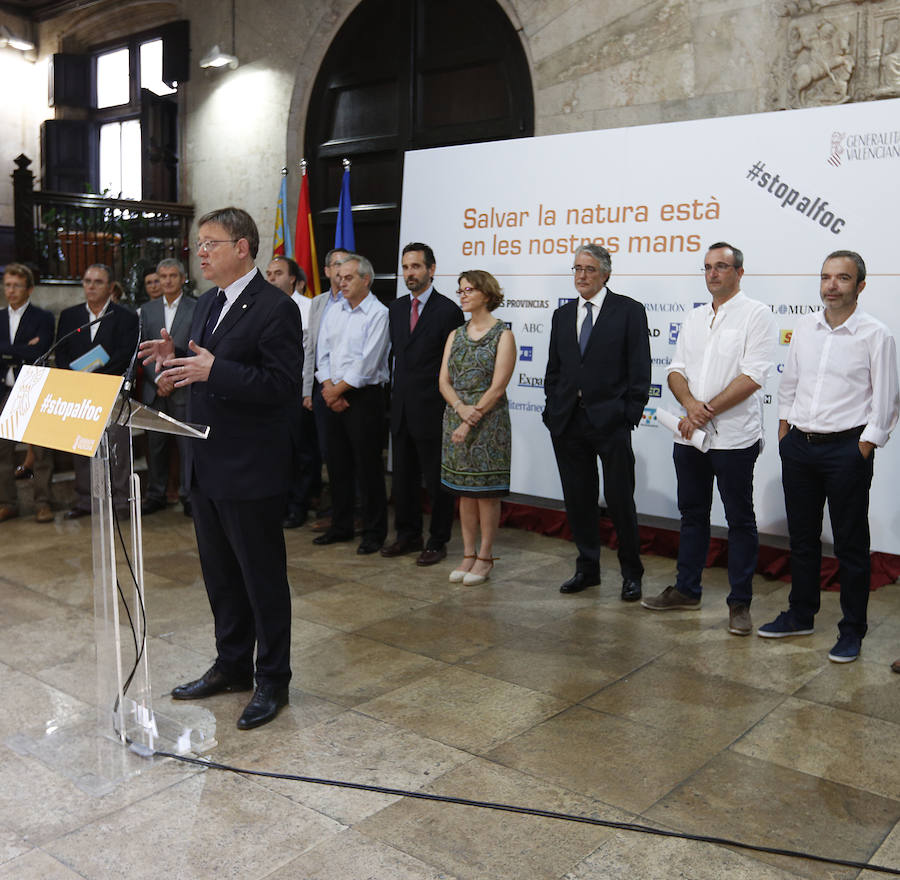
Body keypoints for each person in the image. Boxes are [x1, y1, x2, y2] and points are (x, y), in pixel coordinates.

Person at [140, 207, 301, 729]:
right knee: (220, 576)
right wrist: (172, 366)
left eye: (211, 243)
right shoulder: (207, 303)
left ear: (243, 247)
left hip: (251, 467)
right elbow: (201, 370)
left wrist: (217, 369)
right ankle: (232, 664)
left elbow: (280, 386)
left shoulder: (277, 309)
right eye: (199, 243)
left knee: (261, 578)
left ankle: (272, 677)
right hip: (205, 462)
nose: (200, 252)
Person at [758, 250, 899, 663]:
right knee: (802, 539)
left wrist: (865, 446)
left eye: (842, 278)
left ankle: (852, 630)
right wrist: (785, 429)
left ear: (860, 286)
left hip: (846, 450)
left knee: (851, 546)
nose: (831, 285)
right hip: (800, 446)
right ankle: (801, 614)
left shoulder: (876, 334)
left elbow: (887, 401)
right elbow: (790, 383)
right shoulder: (805, 326)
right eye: (825, 277)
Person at [642, 243, 775, 635]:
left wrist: (706, 410)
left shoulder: (757, 314)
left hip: (734, 439)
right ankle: (687, 590)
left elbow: (753, 376)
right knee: (693, 515)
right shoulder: (694, 317)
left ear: (739, 272)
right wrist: (689, 405)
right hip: (689, 437)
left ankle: (740, 604)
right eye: (707, 268)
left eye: (721, 266)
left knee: (740, 521)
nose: (713, 274)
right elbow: (675, 370)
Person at [543, 244, 650, 600]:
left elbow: (640, 368)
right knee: (578, 500)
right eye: (577, 269)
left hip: (611, 422)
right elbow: (554, 370)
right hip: (568, 423)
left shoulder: (629, 311)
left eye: (589, 269)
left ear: (605, 273)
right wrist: (551, 409)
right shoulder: (562, 316)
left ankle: (631, 573)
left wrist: (628, 414)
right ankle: (587, 568)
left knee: (620, 501)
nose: (582, 276)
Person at [383, 242, 464, 565]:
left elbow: (453, 366)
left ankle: (438, 539)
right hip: (401, 409)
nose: (409, 273)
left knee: (436, 481)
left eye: (416, 267)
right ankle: (407, 534)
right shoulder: (396, 308)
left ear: (431, 270)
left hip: (433, 410)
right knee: (402, 478)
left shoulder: (448, 311)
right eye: (405, 267)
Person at [439, 270, 515, 585]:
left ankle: (485, 557)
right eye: (460, 290)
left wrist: (470, 420)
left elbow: (498, 387)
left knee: (485, 494)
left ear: (485, 293)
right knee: (464, 493)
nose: (463, 295)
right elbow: (443, 381)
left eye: (469, 289)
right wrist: (459, 409)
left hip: (488, 423)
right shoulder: (455, 334)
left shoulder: (503, 335)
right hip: (456, 418)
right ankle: (468, 554)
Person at [312, 253, 390, 554]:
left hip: (363, 397)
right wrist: (329, 387)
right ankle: (340, 526)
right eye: (339, 276)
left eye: (348, 277)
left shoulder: (378, 313)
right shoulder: (335, 310)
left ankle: (374, 531)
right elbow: (324, 353)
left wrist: (336, 391)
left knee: (368, 468)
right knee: (337, 465)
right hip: (332, 391)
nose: (340, 282)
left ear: (365, 280)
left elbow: (367, 364)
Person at [55, 263, 139, 519]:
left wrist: (96, 378)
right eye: (87, 281)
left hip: (111, 390)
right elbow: (61, 353)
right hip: (79, 392)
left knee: (118, 448)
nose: (91, 286)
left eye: (98, 282)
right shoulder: (70, 316)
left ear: (110, 287)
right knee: (82, 446)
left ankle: (121, 502)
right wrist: (77, 378)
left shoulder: (125, 317)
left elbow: (125, 354)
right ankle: (85, 500)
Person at [266, 254, 321, 528]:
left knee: (302, 453)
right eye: (269, 273)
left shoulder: (308, 307)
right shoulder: (261, 307)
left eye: (277, 273)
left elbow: (312, 353)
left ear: (294, 279)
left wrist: (307, 391)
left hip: (299, 389)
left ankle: (298, 505)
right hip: (270, 389)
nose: (271, 278)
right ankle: (280, 502)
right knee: (276, 452)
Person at [139, 258, 196, 517]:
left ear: (183, 278)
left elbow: (196, 347)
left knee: (186, 446)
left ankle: (188, 494)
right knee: (156, 445)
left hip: (183, 385)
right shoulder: (147, 310)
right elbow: (141, 350)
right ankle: (156, 494)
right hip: (155, 387)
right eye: (163, 276)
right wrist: (158, 379)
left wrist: (172, 378)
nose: (168, 281)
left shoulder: (196, 307)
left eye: (173, 275)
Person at [0, 263, 55, 523]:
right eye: (7, 285)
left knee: (42, 450)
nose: (11, 290)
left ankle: (42, 502)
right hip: (5, 388)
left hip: (33, 387)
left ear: (29, 289)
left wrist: (8, 350)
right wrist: (22, 348)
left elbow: (40, 352)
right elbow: (28, 351)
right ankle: (7, 503)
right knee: (3, 449)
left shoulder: (42, 317)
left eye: (17, 286)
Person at [303, 247, 351, 531]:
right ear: (327, 271)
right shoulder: (318, 303)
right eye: (335, 265)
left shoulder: (358, 302)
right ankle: (335, 511)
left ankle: (353, 511)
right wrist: (308, 390)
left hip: (349, 389)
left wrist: (341, 388)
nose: (340, 270)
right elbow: (312, 348)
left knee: (352, 454)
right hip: (322, 388)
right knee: (327, 452)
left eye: (345, 264)